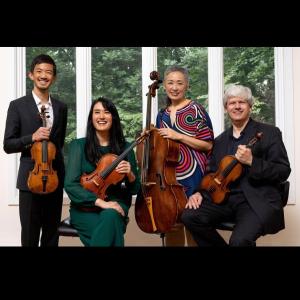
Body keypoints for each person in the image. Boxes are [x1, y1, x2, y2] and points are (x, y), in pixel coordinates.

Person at [181, 84, 291, 247]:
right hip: (225, 201)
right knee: (189, 216)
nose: (237, 106)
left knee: (239, 241)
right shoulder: (220, 141)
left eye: (242, 102)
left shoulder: (269, 133)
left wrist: (253, 162)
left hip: (255, 201)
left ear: (250, 107)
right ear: (226, 108)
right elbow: (211, 173)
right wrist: (199, 193)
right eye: (232, 103)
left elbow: (283, 170)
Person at [3, 54, 68, 247]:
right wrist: (31, 137)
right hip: (30, 179)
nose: (43, 76)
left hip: (54, 179)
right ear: (31, 75)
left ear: (54, 78)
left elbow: (59, 144)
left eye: (48, 72)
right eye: (39, 71)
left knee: (51, 235)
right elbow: (8, 144)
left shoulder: (61, 107)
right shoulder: (17, 106)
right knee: (30, 236)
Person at [64, 97, 140, 247]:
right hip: (85, 209)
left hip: (116, 204)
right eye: (97, 112)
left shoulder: (126, 148)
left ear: (114, 117)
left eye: (106, 112)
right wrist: (100, 203)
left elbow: (135, 189)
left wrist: (130, 174)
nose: (101, 116)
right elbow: (71, 185)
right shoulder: (78, 146)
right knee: (110, 234)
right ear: (91, 117)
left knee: (111, 216)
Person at [156, 65, 214, 246]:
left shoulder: (196, 109)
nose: (174, 87)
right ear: (164, 85)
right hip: (170, 179)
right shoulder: (161, 115)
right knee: (172, 225)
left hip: (194, 176)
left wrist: (178, 136)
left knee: (193, 225)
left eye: (179, 83)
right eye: (170, 83)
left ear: (186, 85)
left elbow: (208, 144)